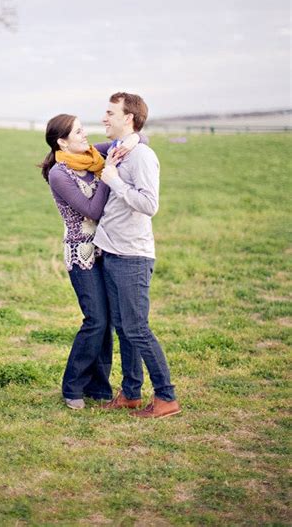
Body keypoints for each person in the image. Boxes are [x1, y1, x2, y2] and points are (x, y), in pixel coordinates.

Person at [41, 114, 140, 409]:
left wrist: (131, 140)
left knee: (107, 321)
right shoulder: (60, 173)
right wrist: (109, 174)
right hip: (82, 254)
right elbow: (93, 210)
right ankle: (72, 386)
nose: (85, 136)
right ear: (62, 141)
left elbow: (135, 140)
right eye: (78, 132)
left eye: (84, 130)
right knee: (95, 320)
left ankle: (98, 388)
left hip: (107, 248)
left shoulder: (92, 154)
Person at [95, 92, 181, 418]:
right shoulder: (119, 150)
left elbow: (149, 205)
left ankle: (166, 397)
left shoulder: (142, 156)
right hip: (113, 252)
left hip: (133, 256)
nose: (104, 118)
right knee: (123, 326)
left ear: (128, 117)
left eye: (110, 112)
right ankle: (131, 392)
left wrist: (114, 181)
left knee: (137, 328)